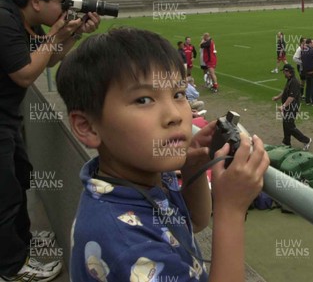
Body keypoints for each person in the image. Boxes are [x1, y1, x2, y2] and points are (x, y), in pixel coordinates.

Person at [56, 27, 270, 281]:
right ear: (88, 127)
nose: (175, 115)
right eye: (144, 100)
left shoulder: (142, 175)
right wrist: (232, 211)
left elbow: (195, 221)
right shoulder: (127, 247)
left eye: (178, 94)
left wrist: (194, 167)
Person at [0, 0, 100, 280]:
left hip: (7, 117)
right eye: (61, 2)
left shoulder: (23, 19)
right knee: (5, 196)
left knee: (19, 179)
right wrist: (58, 33)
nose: (66, 8)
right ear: (37, 1)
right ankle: (11, 268)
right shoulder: (4, 19)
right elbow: (26, 73)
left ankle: (19, 250)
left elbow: (49, 59)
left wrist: (73, 33)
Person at [272, 64, 311, 150]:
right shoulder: (290, 80)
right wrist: (278, 97)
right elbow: (285, 91)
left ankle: (306, 140)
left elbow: (291, 97)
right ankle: (286, 142)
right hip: (288, 107)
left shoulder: (294, 82)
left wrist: (283, 106)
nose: (284, 74)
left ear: (289, 72)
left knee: (289, 126)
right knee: (286, 124)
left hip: (292, 107)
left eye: (285, 72)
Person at [292, 37, 307, 101]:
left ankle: (302, 94)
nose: (306, 42)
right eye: (305, 41)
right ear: (301, 42)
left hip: (304, 67)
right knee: (303, 81)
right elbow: (294, 58)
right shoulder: (299, 49)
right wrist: (302, 63)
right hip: (301, 67)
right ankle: (301, 94)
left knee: (304, 81)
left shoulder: (305, 48)